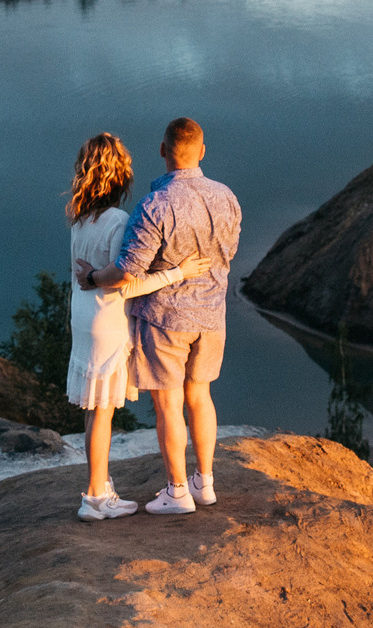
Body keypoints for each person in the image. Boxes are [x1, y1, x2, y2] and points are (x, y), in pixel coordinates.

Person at [64, 132, 212, 521]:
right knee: (105, 412)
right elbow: (126, 280)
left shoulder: (80, 220)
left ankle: (99, 487)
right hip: (107, 322)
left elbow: (84, 275)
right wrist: (178, 272)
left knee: (96, 410)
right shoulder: (118, 220)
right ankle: (96, 497)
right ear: (120, 175)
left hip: (82, 319)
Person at [117, 116, 241, 515]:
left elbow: (128, 271)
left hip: (164, 320)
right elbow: (229, 253)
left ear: (162, 151)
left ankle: (176, 492)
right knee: (200, 396)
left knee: (169, 406)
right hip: (211, 316)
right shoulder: (227, 198)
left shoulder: (155, 205)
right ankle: (204, 483)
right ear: (202, 152)